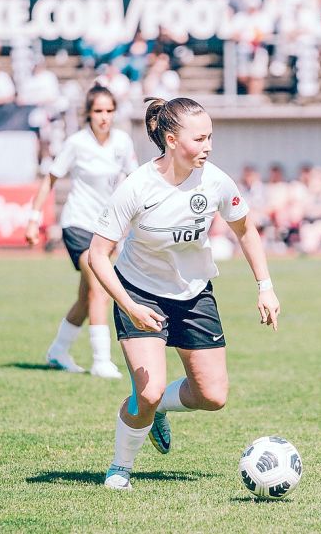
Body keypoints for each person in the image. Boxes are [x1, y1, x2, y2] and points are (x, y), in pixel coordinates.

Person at [89, 97, 280, 490]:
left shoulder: (215, 181)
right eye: (200, 138)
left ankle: (158, 408)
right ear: (172, 140)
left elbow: (246, 230)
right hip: (139, 292)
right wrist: (129, 306)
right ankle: (120, 468)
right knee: (149, 390)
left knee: (213, 396)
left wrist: (266, 287)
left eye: (211, 137)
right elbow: (97, 254)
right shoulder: (138, 186)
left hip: (194, 294)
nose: (208, 146)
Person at [25, 84, 138, 379]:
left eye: (109, 110)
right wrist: (33, 219)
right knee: (101, 289)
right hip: (77, 225)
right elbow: (49, 180)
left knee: (86, 296)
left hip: (107, 230)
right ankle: (101, 361)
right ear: (88, 113)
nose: (104, 117)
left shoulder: (123, 142)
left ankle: (57, 351)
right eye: (98, 111)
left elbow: (133, 182)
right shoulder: (76, 143)